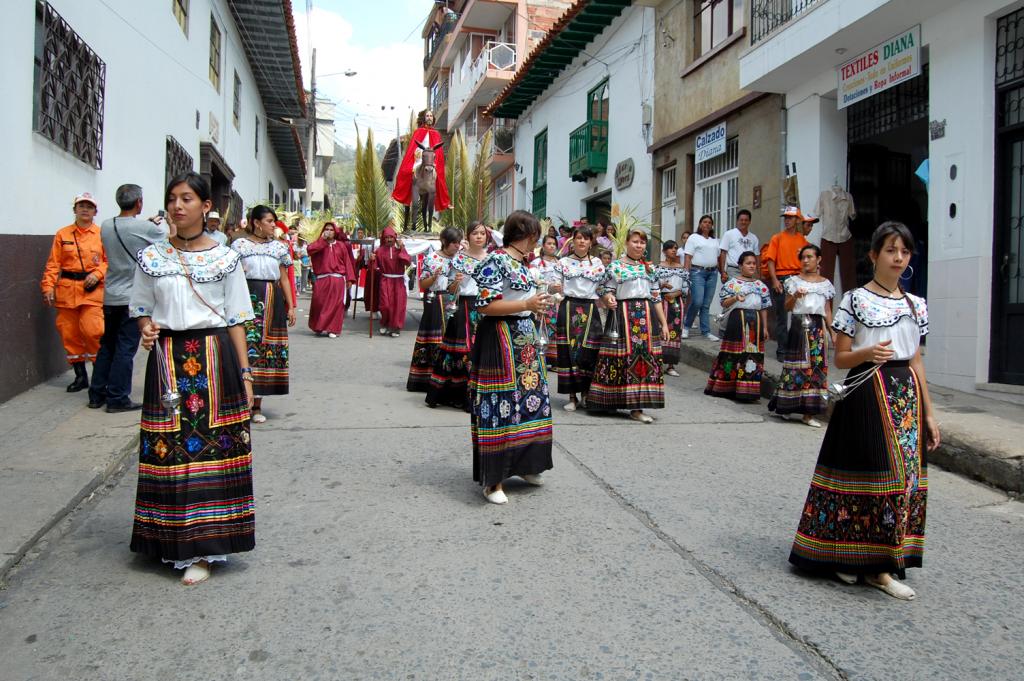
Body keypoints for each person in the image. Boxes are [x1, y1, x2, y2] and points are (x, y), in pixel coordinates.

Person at [789, 222, 940, 601]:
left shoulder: (915, 304)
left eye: (904, 251)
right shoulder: (854, 300)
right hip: (867, 390)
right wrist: (867, 353)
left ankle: (877, 563)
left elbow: (916, 360)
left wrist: (929, 413)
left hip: (905, 395)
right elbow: (841, 358)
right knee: (873, 475)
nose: (898, 258)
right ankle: (868, 566)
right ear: (874, 255)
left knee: (903, 478)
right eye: (890, 250)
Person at [130, 171, 255, 586]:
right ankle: (166, 539)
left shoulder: (225, 258)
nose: (177, 206)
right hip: (167, 360)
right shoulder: (152, 257)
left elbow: (236, 318)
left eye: (186, 198)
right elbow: (141, 307)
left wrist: (246, 374)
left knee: (211, 452)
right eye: (172, 198)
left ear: (206, 206)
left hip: (214, 360)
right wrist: (147, 327)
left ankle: (204, 547)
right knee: (167, 449)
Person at [470, 210, 553, 504]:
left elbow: (523, 302)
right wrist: (526, 304)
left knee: (533, 400)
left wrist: (534, 307)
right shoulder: (496, 261)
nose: (536, 242)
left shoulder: (523, 264)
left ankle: (526, 465)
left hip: (525, 340)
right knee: (499, 405)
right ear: (526, 234)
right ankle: (493, 482)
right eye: (535, 236)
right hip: (500, 338)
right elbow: (485, 306)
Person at [89, 184, 167, 412]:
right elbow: (166, 240)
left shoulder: (106, 225)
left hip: (110, 295)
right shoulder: (145, 228)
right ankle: (117, 397)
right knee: (125, 348)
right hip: (131, 297)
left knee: (107, 345)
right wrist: (157, 224)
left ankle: (96, 394)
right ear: (139, 202)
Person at [588, 228, 669, 424]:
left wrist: (664, 324)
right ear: (626, 243)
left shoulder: (649, 268)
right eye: (635, 241)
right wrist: (609, 298)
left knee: (644, 359)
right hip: (623, 315)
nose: (639, 245)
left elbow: (656, 297)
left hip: (646, 317)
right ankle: (612, 401)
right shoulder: (616, 267)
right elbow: (604, 289)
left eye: (642, 242)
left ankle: (637, 408)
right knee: (621, 358)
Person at [232, 206, 295, 423]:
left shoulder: (278, 247)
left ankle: (257, 406)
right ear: (256, 223)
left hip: (272, 300)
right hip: (246, 298)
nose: (273, 225)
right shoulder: (239, 246)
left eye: (273, 221)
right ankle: (241, 402)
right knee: (245, 347)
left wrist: (291, 306)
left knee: (265, 350)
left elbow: (284, 278)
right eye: (269, 221)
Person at [41, 192, 107, 392]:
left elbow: (109, 261)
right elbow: (53, 264)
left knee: (93, 331)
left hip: (92, 291)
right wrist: (48, 287)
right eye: (81, 206)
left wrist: (98, 274)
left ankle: (100, 377)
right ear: (75, 210)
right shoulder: (63, 234)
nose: (85, 210)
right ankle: (80, 377)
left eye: (89, 206)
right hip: (67, 291)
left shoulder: (102, 234)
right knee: (69, 334)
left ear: (95, 211)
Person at [768, 244, 836, 427]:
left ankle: (809, 414)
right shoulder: (793, 281)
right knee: (795, 367)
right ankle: (787, 407)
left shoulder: (826, 284)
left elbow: (827, 310)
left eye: (810, 257)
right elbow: (787, 307)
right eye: (803, 257)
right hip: (799, 326)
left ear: (818, 259)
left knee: (817, 368)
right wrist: (795, 296)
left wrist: (833, 332)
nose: (806, 261)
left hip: (818, 328)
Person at [426, 221, 488, 410]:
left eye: (482, 233)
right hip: (464, 306)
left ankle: (480, 396)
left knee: (482, 350)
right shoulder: (459, 259)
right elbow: (451, 289)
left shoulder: (492, 258)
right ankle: (458, 395)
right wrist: (456, 283)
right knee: (461, 351)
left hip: (486, 307)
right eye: (475, 233)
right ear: (468, 237)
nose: (479, 236)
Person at [704, 252, 771, 402]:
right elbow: (724, 303)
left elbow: (764, 308)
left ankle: (748, 391)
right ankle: (727, 388)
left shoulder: (761, 286)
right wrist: (735, 298)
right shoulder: (732, 284)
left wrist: (765, 328)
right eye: (748, 263)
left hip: (755, 324)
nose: (752, 266)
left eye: (754, 263)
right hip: (737, 322)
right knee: (733, 354)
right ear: (740, 266)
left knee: (752, 356)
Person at [553, 224, 605, 412]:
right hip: (568, 307)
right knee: (568, 352)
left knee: (590, 352)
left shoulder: (597, 264)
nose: (582, 241)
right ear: (572, 241)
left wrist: (608, 298)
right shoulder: (563, 263)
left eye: (586, 238)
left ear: (591, 242)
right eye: (578, 238)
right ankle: (572, 396)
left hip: (590, 309)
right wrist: (554, 288)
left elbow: (602, 288)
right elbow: (553, 286)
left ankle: (586, 394)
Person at [408, 227, 461, 392]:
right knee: (433, 338)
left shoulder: (459, 260)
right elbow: (423, 284)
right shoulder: (432, 258)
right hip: (434, 301)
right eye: (454, 243)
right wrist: (434, 276)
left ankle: (446, 379)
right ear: (445, 241)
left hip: (452, 301)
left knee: (450, 338)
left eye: (459, 242)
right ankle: (427, 379)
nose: (457, 246)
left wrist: (457, 282)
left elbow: (452, 289)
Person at [764, 206, 810, 360]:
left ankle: (795, 349)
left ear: (797, 220)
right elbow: (770, 260)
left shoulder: (802, 240)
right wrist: (774, 280)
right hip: (782, 279)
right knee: (782, 317)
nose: (787, 220)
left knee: (798, 316)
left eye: (790, 217)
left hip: (798, 280)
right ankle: (782, 350)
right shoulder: (777, 238)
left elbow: (807, 261)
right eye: (786, 217)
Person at [392, 109, 450, 223]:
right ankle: (402, 196)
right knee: (406, 172)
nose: (429, 118)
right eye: (427, 116)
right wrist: (418, 155)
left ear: (433, 119)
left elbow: (438, 152)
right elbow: (413, 148)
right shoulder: (418, 132)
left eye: (431, 116)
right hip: (419, 157)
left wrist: (432, 158)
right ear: (424, 118)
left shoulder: (436, 134)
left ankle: (443, 203)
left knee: (439, 177)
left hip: (431, 160)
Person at [307, 222, 356, 338]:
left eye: (331, 229)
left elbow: (347, 262)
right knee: (319, 303)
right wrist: (322, 240)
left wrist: (350, 278)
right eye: (326, 229)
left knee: (336, 305)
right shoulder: (318, 244)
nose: (328, 231)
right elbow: (310, 250)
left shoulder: (341, 246)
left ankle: (332, 329)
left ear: (335, 232)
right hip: (322, 279)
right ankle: (319, 326)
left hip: (337, 279)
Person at [682, 215, 721, 340]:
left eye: (709, 222)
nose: (707, 224)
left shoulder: (715, 240)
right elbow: (688, 257)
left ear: (712, 225)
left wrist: (722, 272)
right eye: (704, 222)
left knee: (706, 304)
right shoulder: (694, 238)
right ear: (700, 224)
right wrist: (686, 274)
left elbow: (718, 258)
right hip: (697, 272)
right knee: (697, 301)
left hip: (712, 273)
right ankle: (686, 326)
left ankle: (706, 331)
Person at [370, 225, 411, 337]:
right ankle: (385, 323)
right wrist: (372, 260)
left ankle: (395, 328)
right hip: (386, 280)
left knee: (398, 305)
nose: (389, 239)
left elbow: (407, 261)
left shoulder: (399, 250)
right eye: (386, 237)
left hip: (398, 281)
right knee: (385, 305)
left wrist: (402, 247)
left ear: (395, 238)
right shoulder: (379, 251)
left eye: (391, 237)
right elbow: (374, 267)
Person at [657, 240, 688, 378]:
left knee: (675, 331)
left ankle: (670, 366)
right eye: (670, 248)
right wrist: (662, 286)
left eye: (675, 248)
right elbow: (652, 286)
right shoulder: (658, 268)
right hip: (661, 302)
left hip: (676, 303)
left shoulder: (681, 269)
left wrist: (675, 294)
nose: (674, 250)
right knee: (659, 330)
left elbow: (686, 288)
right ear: (664, 251)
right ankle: (657, 364)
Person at [533, 234, 562, 368]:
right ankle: (540, 356)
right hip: (542, 299)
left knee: (556, 328)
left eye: (554, 244)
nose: (552, 246)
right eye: (549, 243)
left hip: (557, 301)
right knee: (541, 326)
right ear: (543, 246)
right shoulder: (536, 263)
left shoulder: (560, 263)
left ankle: (554, 360)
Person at [718, 209, 759, 282]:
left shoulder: (754, 237)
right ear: (737, 221)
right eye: (741, 220)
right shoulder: (729, 234)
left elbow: (757, 256)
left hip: (749, 271)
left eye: (746, 220)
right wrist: (723, 272)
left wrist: (758, 272)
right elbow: (723, 253)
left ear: (749, 222)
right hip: (733, 270)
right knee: (735, 289)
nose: (743, 222)